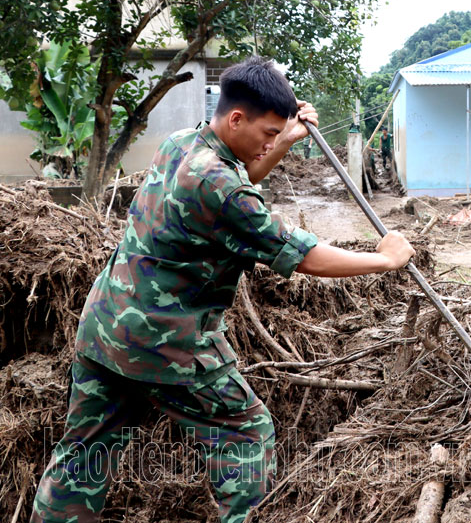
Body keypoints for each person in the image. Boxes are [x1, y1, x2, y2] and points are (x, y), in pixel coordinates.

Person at [31, 57, 414, 523]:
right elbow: (303, 254)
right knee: (248, 435)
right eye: (267, 133)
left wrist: (286, 139)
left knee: (81, 457)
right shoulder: (222, 187)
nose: (270, 142)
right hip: (166, 342)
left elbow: (238, 178)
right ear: (236, 119)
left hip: (106, 329)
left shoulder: (180, 145)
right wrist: (385, 259)